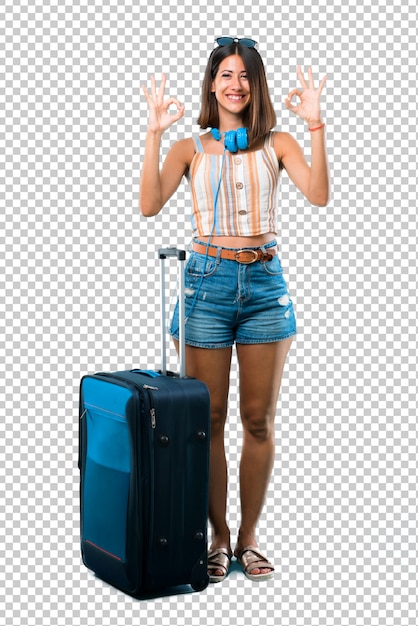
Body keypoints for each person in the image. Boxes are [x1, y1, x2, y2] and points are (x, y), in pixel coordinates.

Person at [140, 36, 329, 583]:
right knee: (208, 421)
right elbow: (150, 205)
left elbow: (318, 196)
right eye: (226, 74)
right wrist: (154, 135)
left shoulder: (279, 143)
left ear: (256, 84)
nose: (236, 84)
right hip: (205, 283)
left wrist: (317, 126)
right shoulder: (191, 148)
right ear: (212, 83)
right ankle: (216, 537)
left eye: (245, 75)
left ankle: (248, 539)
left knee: (258, 420)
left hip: (265, 285)